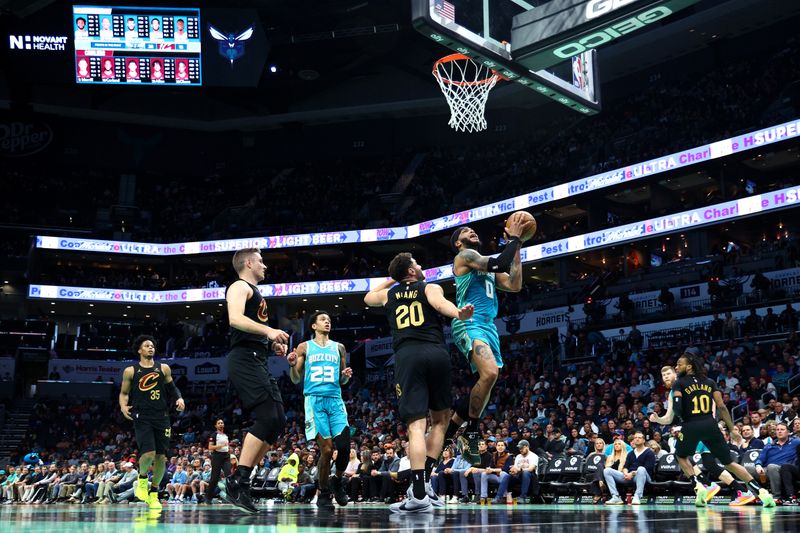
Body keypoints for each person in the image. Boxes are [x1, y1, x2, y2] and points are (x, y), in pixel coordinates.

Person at [364, 252, 474, 513]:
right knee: (440, 421)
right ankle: (426, 485)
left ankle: (419, 493)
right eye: (417, 263)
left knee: (416, 426)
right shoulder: (430, 287)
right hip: (436, 353)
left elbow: (368, 297)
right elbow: (440, 305)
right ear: (411, 271)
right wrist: (458, 313)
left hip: (408, 356)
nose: (422, 266)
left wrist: (393, 281)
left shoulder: (389, 295)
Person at [443, 216, 527, 464]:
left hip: (489, 326)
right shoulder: (465, 257)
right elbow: (500, 262)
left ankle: (452, 432)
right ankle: (470, 432)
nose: (471, 231)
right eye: (465, 231)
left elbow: (514, 284)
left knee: (488, 379)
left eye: (472, 229)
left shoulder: (484, 267)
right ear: (458, 244)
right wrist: (514, 238)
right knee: (489, 374)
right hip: (469, 321)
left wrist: (518, 247)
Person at [222, 247, 289, 514]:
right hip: (243, 359)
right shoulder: (239, 286)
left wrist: (269, 343)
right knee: (266, 417)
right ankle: (238, 481)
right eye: (261, 261)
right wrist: (269, 331)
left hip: (256, 356)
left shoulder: (255, 293)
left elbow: (251, 330)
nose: (265, 266)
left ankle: (241, 481)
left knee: (278, 420)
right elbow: (235, 319)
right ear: (248, 263)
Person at [670, 350, 775, 507]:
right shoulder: (710, 382)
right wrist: (732, 428)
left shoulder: (679, 383)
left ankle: (698, 486)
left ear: (689, 366)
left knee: (681, 455)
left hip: (691, 424)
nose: (676, 367)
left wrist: (683, 420)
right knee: (728, 463)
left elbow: (677, 407)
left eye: (679, 364)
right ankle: (761, 492)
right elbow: (721, 406)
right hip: (711, 425)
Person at [650, 363, 741, 506]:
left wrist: (708, 423)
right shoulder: (673, 392)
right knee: (701, 462)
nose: (666, 377)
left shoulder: (691, 383)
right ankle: (715, 486)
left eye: (668, 374)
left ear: (675, 373)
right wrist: (658, 419)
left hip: (703, 427)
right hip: (692, 428)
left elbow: (711, 404)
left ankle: (729, 488)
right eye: (663, 375)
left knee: (696, 460)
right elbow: (668, 418)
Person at [287, 311, 353, 510]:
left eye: (329, 320)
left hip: (335, 399)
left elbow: (342, 380)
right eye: (323, 319)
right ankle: (324, 492)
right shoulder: (304, 347)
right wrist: (292, 366)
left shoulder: (339, 347)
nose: (327, 322)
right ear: (313, 326)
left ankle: (337, 480)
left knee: (344, 447)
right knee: (326, 449)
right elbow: (296, 379)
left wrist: (346, 376)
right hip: (314, 401)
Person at [119, 335, 184, 510]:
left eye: (152, 346)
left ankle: (153, 494)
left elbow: (172, 388)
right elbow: (124, 393)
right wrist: (123, 406)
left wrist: (179, 398)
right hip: (142, 416)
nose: (150, 348)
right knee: (148, 454)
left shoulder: (163, 368)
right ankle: (141, 480)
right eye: (147, 345)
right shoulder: (130, 370)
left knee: (161, 457)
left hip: (162, 416)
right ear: (139, 350)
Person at [753, 423, 800, 505]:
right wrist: (758, 465)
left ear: (788, 432)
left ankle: (776, 497)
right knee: (746, 470)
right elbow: (760, 458)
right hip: (766, 470)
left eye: (782, 430)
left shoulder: (795, 442)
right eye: (777, 430)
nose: (779, 432)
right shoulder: (769, 446)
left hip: (783, 470)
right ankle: (755, 496)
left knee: (772, 467)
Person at [603, 432, 655, 505]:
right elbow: (626, 467)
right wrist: (626, 473)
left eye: (639, 438)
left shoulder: (649, 452)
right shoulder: (631, 453)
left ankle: (637, 496)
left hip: (644, 477)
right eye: (635, 438)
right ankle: (615, 497)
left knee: (641, 469)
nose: (637, 439)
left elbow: (648, 468)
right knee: (607, 470)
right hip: (629, 477)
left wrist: (632, 474)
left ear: (644, 440)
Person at [204, 418, 231, 503]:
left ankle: (230, 496)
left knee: (229, 476)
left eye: (222, 423)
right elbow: (210, 447)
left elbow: (226, 446)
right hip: (217, 457)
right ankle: (208, 497)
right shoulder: (214, 435)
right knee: (214, 479)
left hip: (226, 456)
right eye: (219, 423)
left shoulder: (226, 435)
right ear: (216, 426)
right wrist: (221, 446)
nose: (220, 424)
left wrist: (227, 449)